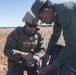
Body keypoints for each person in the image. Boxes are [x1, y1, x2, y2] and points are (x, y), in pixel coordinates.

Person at [31, 0, 76, 75]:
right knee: (57, 51)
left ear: (46, 11)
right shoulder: (57, 13)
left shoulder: (64, 12)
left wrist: (52, 66)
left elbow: (72, 46)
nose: (42, 22)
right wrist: (47, 53)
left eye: (41, 18)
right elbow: (55, 35)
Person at [3, 11, 45, 75]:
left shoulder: (39, 35)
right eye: (30, 25)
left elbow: (42, 50)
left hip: (32, 62)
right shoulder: (16, 33)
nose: (32, 28)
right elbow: (7, 50)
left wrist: (36, 57)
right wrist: (22, 55)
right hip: (16, 63)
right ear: (25, 23)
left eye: (35, 26)